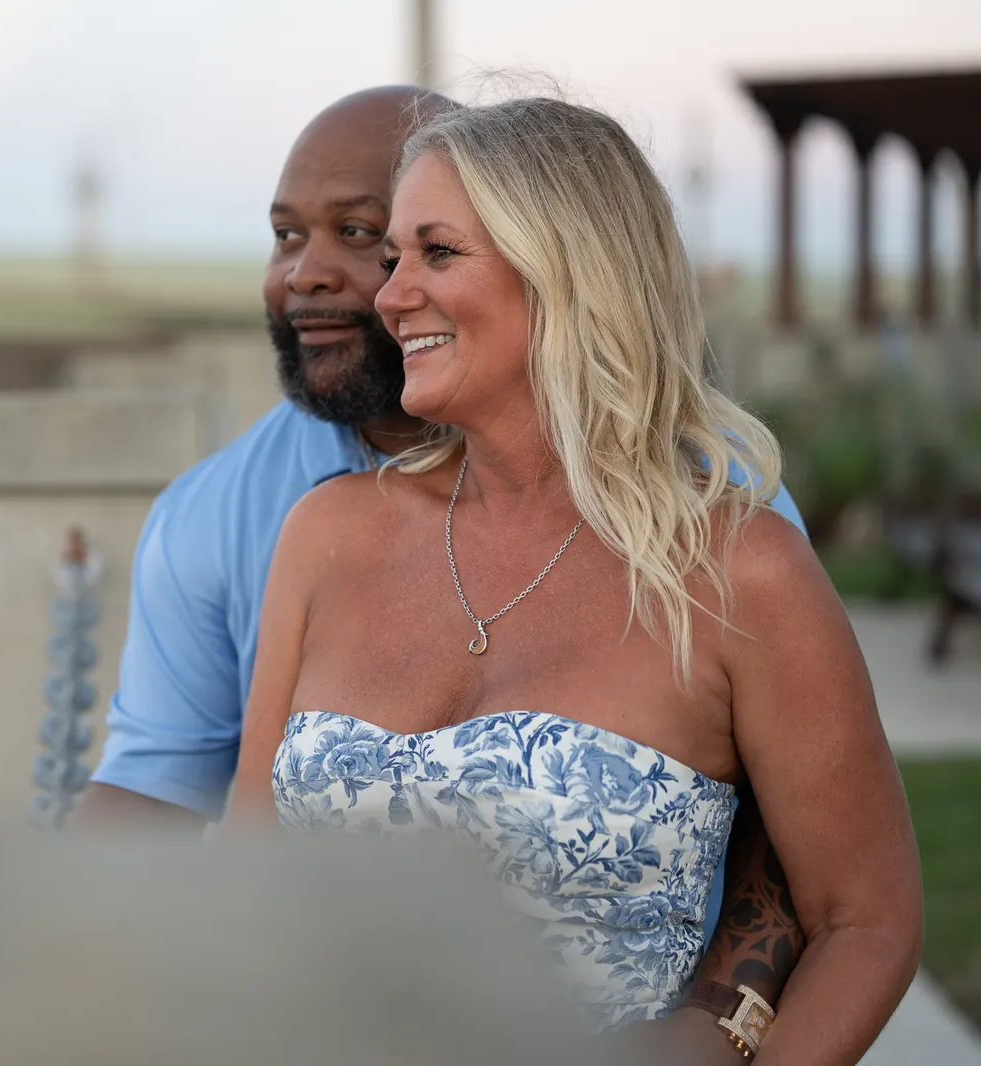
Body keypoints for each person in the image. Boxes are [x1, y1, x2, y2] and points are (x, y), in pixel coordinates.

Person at [80, 87, 812, 1060]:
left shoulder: (724, 513)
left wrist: (720, 1022)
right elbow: (182, 817)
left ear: (555, 261)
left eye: (372, 238)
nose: (318, 277)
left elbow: (824, 856)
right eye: (285, 236)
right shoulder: (253, 521)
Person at [224, 95, 922, 1058]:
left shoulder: (736, 573)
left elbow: (865, 920)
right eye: (394, 259)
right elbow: (247, 883)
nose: (388, 296)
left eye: (437, 253)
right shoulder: (325, 536)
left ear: (568, 273)